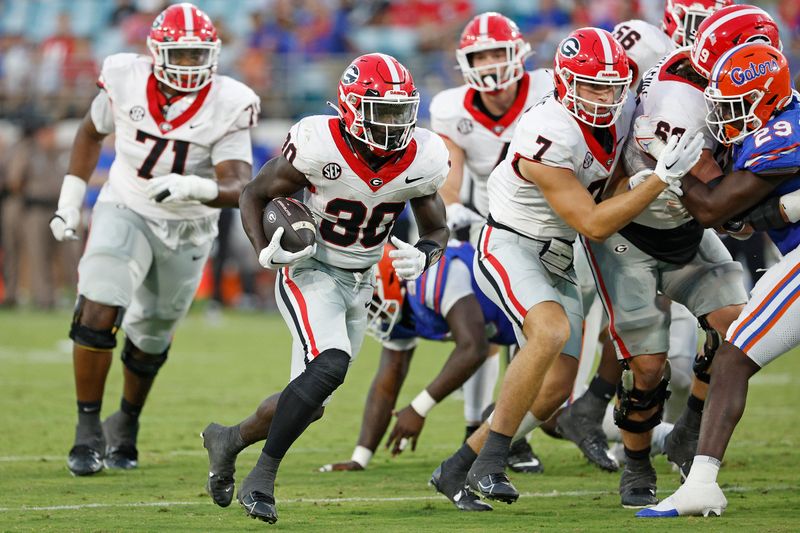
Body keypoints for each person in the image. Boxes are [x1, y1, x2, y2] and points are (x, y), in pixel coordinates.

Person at [429, 27, 705, 510]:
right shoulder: (549, 129)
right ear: (562, 82)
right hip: (511, 244)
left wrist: (641, 177)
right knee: (550, 330)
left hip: (558, 254)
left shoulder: (620, 116)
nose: (603, 97)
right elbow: (594, 222)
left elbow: (611, 181)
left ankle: (455, 469)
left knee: (555, 388)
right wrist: (660, 179)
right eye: (590, 85)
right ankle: (493, 460)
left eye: (611, 86)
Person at [201, 52, 450, 524]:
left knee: (310, 402)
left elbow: (436, 228)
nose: (394, 124)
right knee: (330, 362)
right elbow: (254, 192)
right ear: (352, 108)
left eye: (402, 111)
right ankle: (262, 479)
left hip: (364, 280)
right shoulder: (320, 144)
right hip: (309, 268)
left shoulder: (423, 157)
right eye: (383, 113)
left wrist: (426, 254)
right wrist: (263, 251)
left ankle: (228, 440)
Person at [572, 4, 781, 508]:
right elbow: (716, 201)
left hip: (685, 227)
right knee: (647, 368)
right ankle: (638, 463)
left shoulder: (717, 86)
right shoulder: (679, 102)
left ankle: (689, 428)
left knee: (736, 330)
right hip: (633, 232)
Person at [50, 3, 259, 476]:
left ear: (213, 54)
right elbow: (89, 132)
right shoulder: (124, 77)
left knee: (151, 335)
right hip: (125, 204)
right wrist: (70, 199)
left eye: (196, 55)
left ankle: (125, 421)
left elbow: (238, 182)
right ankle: (87, 429)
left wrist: (197, 187)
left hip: (188, 224)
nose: (188, 65)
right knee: (98, 306)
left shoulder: (230, 100)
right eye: (180, 55)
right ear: (157, 53)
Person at [638, 42, 797, 518]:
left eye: (735, 104)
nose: (726, 117)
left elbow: (710, 209)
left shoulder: (783, 133)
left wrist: (673, 162)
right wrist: (767, 211)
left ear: (767, 96)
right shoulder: (778, 120)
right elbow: (744, 218)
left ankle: (702, 483)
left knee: (734, 354)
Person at [430, 10, 553, 457]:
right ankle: (482, 428)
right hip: (488, 223)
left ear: (517, 52)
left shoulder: (549, 87)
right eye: (479, 56)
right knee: (488, 328)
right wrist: (455, 208)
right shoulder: (450, 108)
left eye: (496, 53)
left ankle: (517, 431)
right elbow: (449, 174)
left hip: (550, 221)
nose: (488, 65)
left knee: (538, 332)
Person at [318, 241, 523, 484]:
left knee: (552, 417)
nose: (368, 310)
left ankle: (522, 448)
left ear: (392, 280)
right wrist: (360, 457)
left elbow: (473, 348)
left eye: (370, 300)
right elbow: (388, 381)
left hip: (538, 318)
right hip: (511, 331)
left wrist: (418, 408)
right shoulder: (399, 313)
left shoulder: (432, 276)